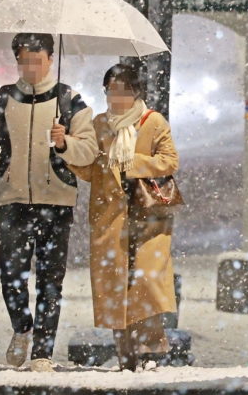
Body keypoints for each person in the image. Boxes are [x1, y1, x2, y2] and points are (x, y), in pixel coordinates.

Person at [0, 33, 97, 372]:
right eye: (24, 60)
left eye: (37, 60)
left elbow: (90, 150)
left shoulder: (69, 100)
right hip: (13, 201)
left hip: (56, 202)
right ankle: (22, 327)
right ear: (16, 61)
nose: (30, 67)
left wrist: (65, 142)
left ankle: (43, 350)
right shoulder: (1, 99)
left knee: (50, 281)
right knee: (11, 275)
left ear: (50, 59)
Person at [68, 64, 179, 371]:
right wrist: (67, 148)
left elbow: (170, 161)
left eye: (121, 92)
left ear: (135, 92)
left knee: (146, 280)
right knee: (116, 285)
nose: (115, 99)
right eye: (110, 92)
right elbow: (90, 169)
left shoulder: (152, 121)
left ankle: (150, 351)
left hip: (147, 217)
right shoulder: (99, 124)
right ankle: (125, 356)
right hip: (110, 216)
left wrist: (134, 162)